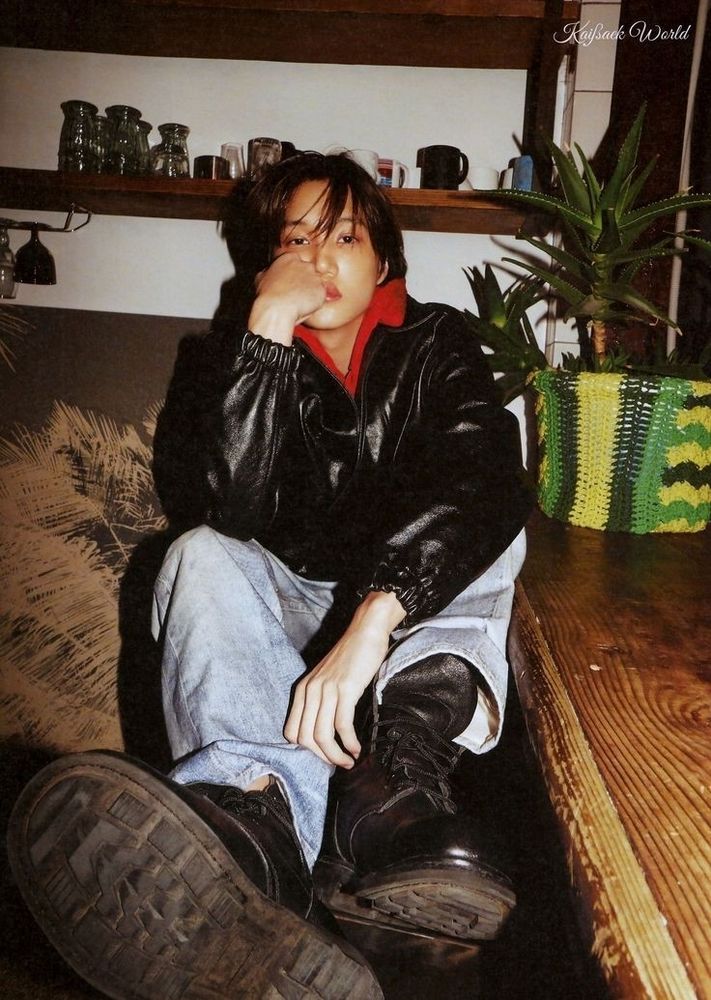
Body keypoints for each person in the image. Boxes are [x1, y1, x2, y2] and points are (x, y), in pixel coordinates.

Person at [7, 153, 532, 999]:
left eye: (345, 238)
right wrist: (265, 338)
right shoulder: (227, 358)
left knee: (488, 518)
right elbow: (228, 510)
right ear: (267, 262)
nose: (319, 260)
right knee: (197, 553)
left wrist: (375, 620)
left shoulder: (437, 344)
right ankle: (256, 819)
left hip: (397, 631)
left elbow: (480, 475)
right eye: (297, 241)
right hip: (280, 608)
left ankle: (394, 784)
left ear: (384, 262)